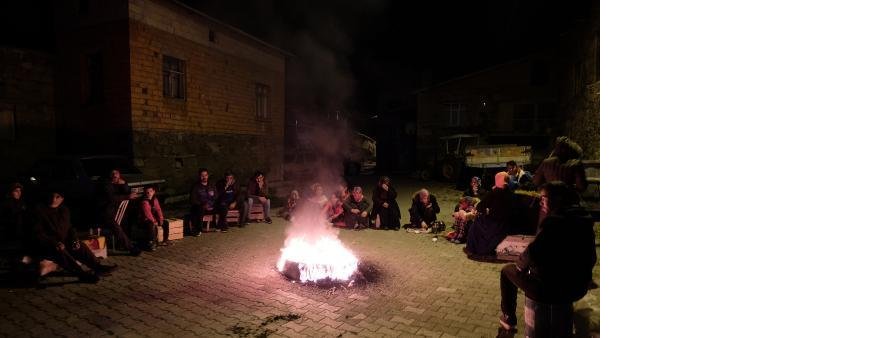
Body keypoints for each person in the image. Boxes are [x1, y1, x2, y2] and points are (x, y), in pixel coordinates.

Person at [496, 182, 596, 337]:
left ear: (556, 199)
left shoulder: (554, 223)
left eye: (543, 198)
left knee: (507, 271)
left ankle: (508, 318)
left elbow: (529, 255)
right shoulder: (583, 220)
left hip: (549, 290)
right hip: (577, 288)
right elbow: (591, 258)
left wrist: (521, 267)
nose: (540, 203)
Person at [31, 190, 117, 283]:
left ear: (62, 199)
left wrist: (74, 239)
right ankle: (81, 274)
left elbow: (70, 228)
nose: (53, 199)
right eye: (52, 196)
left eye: (57, 197)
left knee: (79, 245)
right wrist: (54, 243)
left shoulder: (64, 210)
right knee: (61, 251)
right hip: (47, 244)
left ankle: (97, 267)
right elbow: (38, 233)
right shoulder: (39, 211)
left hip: (63, 241)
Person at [466, 172, 515, 257]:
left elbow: (481, 206)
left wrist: (486, 211)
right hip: (506, 223)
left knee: (476, 224)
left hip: (494, 223)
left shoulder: (495, 192)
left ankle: (475, 249)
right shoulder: (511, 193)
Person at [97, 169, 140, 255]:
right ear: (110, 175)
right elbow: (112, 198)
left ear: (119, 174)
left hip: (116, 210)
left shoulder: (119, 183)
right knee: (116, 226)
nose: (115, 175)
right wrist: (127, 196)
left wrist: (124, 184)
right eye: (113, 173)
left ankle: (123, 243)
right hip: (105, 212)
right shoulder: (106, 184)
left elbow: (127, 192)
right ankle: (130, 247)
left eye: (116, 173)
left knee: (128, 218)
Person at [189, 168, 219, 237]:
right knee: (199, 209)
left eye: (205, 175)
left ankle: (219, 225)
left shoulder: (211, 185)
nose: (204, 177)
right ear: (199, 176)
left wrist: (211, 204)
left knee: (222, 206)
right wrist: (203, 205)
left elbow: (216, 196)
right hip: (201, 207)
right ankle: (198, 229)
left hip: (211, 206)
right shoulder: (196, 186)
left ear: (208, 176)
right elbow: (193, 200)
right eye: (202, 175)